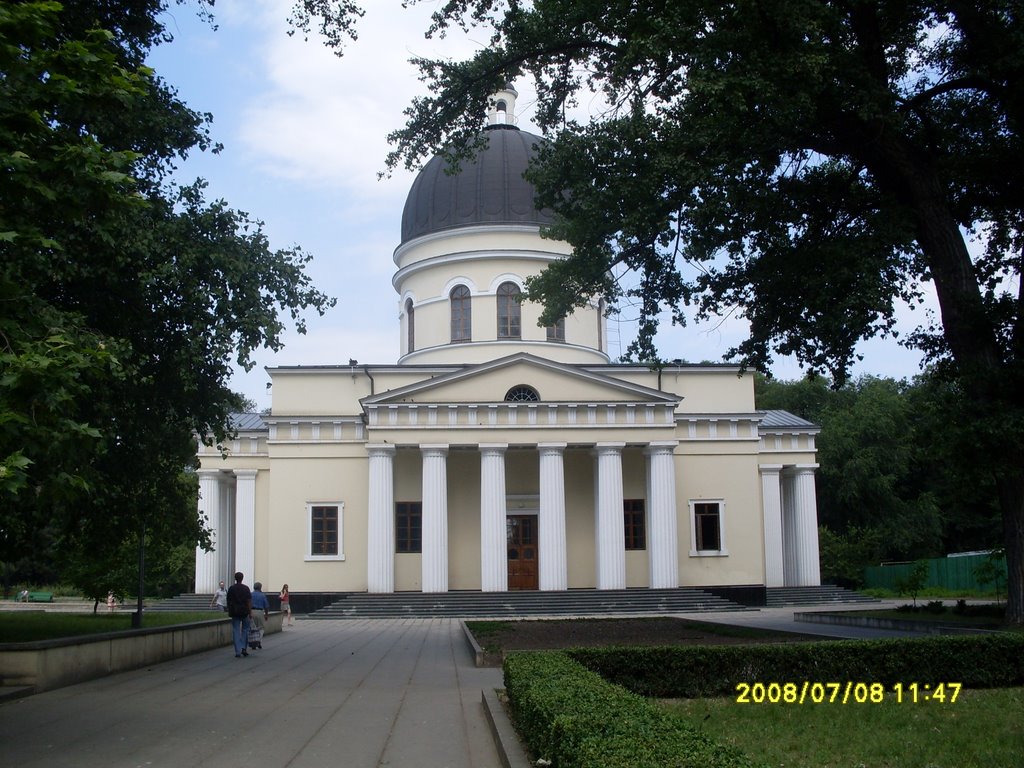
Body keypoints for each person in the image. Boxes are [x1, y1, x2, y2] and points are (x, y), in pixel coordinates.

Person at [225, 572, 252, 658]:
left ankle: (237, 651)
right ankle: (244, 647)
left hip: (235, 612)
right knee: (245, 629)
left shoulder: (231, 588)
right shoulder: (246, 588)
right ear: (242, 578)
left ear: (235, 578)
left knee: (236, 630)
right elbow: (249, 601)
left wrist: (229, 609)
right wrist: (250, 612)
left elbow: (228, 600)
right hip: (244, 611)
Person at [249, 582, 269, 649]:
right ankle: (259, 641)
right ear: (260, 587)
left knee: (252, 628)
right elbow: (266, 606)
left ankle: (253, 642)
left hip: (251, 611)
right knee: (261, 628)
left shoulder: (250, 594)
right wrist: (266, 615)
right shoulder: (262, 595)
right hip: (260, 611)